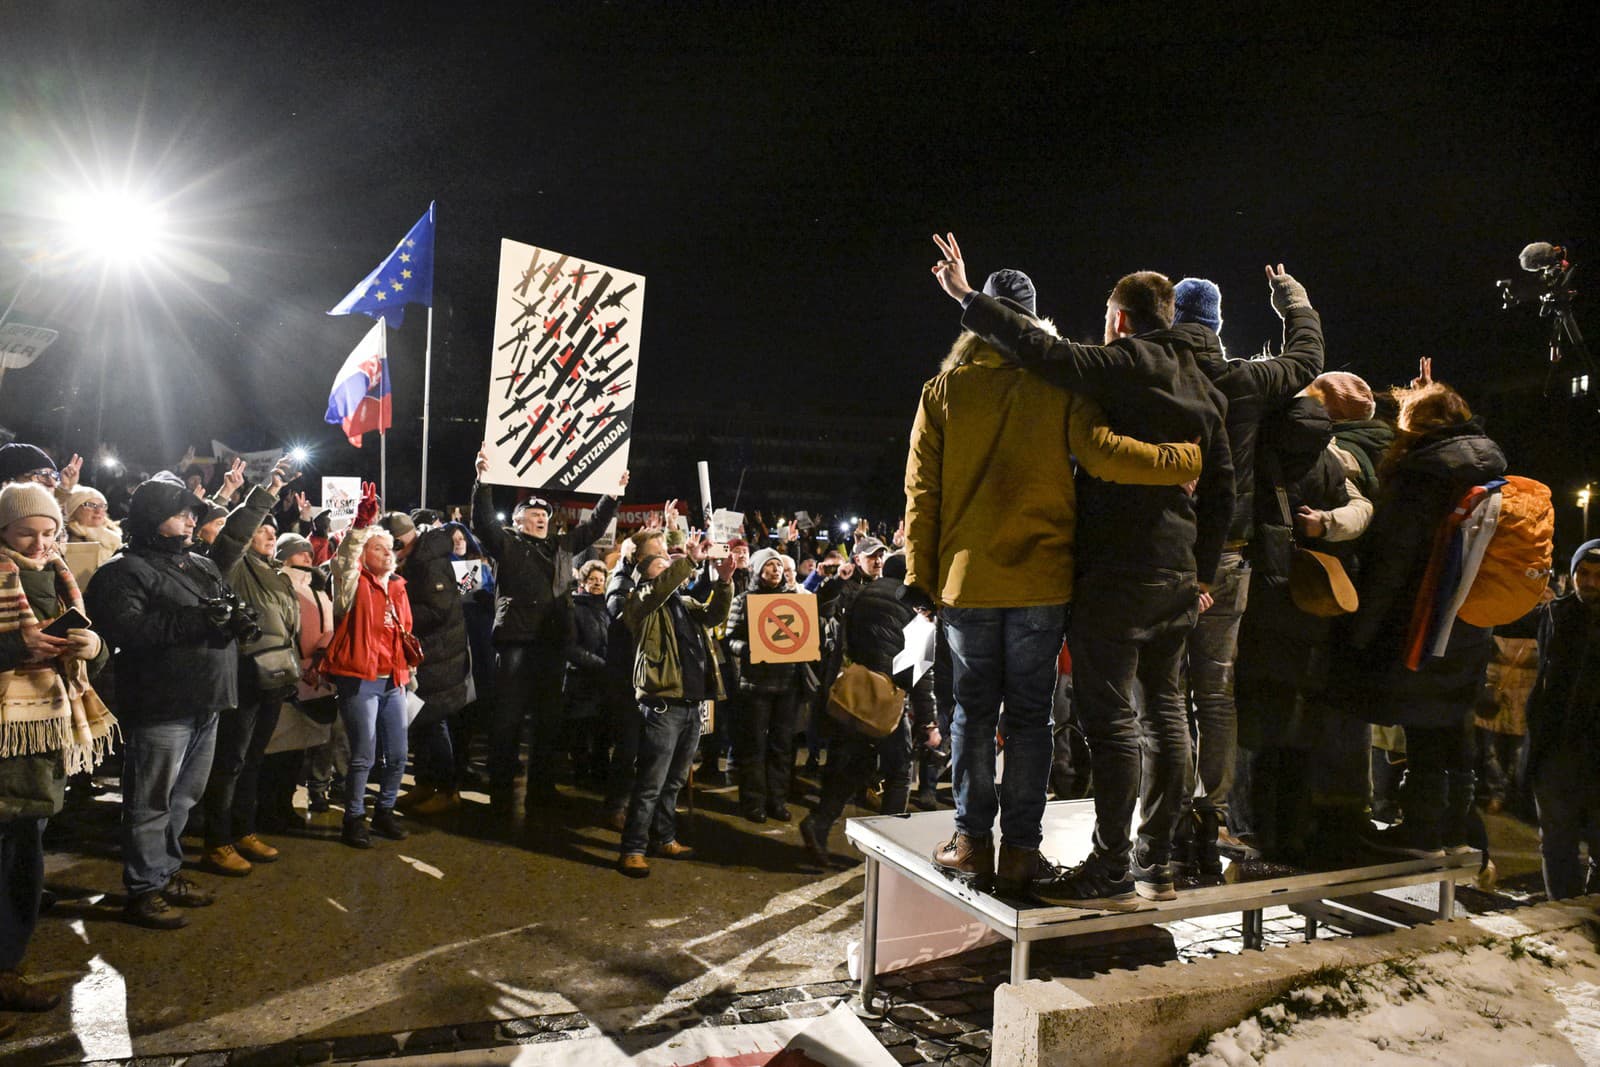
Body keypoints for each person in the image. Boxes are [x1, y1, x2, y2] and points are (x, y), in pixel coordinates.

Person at [916, 251, 1211, 897]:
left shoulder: (943, 390)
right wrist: (1179, 459)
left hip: (967, 581)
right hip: (1044, 580)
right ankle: (1022, 851)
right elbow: (1104, 455)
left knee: (970, 713)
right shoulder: (1062, 386)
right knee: (1029, 717)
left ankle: (971, 841)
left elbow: (923, 496)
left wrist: (921, 575)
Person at [1171, 271, 1325, 879]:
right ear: (1217, 325)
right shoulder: (1246, 378)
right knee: (1214, 692)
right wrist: (1295, 299)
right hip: (1231, 556)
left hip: (1164, 557)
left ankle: (1170, 814)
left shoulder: (1154, 370)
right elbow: (1308, 356)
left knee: (1161, 696)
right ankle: (1210, 813)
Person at [1339, 370, 1508, 859]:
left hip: (1420, 621)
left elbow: (1392, 558)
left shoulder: (1423, 473)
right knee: (1452, 725)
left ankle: (1421, 829)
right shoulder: (1486, 459)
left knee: (1423, 728)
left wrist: (1360, 631)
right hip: (1468, 622)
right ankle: (1456, 829)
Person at [86, 472, 243, 928]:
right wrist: (199, 622)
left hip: (206, 698)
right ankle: (143, 889)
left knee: (184, 797)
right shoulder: (122, 569)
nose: (191, 523)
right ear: (153, 518)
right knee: (150, 800)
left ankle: (167, 872)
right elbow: (127, 632)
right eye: (179, 514)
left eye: (192, 514)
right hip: (161, 701)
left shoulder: (198, 564)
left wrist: (231, 618)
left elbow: (222, 607)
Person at [0, 482, 115, 1015]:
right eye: (27, 533)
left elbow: (93, 648)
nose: (41, 543)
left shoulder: (63, 576)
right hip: (6, 739)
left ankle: (8, 967)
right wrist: (13, 646)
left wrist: (94, 645)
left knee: (26, 862)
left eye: (49, 532)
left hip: (45, 735)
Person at [470, 448, 623, 815]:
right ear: (519, 519)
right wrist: (483, 482)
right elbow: (483, 522)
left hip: (552, 645)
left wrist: (611, 495)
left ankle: (541, 787)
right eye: (533, 514)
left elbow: (593, 529)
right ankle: (502, 789)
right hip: (516, 645)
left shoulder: (562, 547)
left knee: (548, 720)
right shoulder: (506, 543)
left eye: (544, 515)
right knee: (507, 720)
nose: (540, 519)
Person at [799, 552, 938, 866]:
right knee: (899, 770)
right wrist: (927, 721)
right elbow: (920, 671)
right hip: (886, 698)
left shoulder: (863, 594)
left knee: (855, 765)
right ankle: (889, 850)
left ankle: (819, 822)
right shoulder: (920, 608)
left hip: (852, 691)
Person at [198, 461, 299, 877]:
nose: (270, 537)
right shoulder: (230, 564)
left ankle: (244, 830)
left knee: (254, 758)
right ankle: (216, 841)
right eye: (264, 530)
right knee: (231, 760)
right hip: (244, 674)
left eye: (275, 533)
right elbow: (234, 535)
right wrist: (269, 490)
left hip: (276, 676)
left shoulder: (274, 572)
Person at [616, 544, 736, 878]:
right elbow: (659, 589)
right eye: (661, 565)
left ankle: (664, 838)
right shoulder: (641, 602)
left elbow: (715, 616)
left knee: (674, 782)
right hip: (663, 705)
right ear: (646, 574)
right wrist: (690, 561)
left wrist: (724, 582)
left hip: (691, 704)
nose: (669, 568)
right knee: (651, 783)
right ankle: (633, 849)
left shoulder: (684, 604)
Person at [322, 526, 417, 848]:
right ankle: (353, 817)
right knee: (364, 754)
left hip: (393, 681)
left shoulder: (398, 587)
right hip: (360, 680)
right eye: (377, 548)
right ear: (364, 554)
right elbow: (344, 561)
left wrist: (407, 671)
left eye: (389, 548)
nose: (387, 553)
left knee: (399, 754)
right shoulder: (352, 585)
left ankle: (385, 811)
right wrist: (359, 530)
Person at [1526, 539, 1600, 899]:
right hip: (1556, 751)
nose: (1590, 582)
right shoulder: (1555, 614)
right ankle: (1561, 920)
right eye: (1583, 573)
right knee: (1557, 843)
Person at [723, 547, 808, 823]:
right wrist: (749, 648)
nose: (775, 571)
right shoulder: (743, 601)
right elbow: (730, 639)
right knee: (755, 747)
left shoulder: (794, 600)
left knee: (782, 747)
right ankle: (753, 803)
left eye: (779, 567)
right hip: (755, 686)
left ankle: (778, 801)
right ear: (758, 570)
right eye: (769, 566)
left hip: (787, 686)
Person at [393, 517, 471, 815]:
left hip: (437, 656)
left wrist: (398, 610)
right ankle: (426, 784)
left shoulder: (427, 562)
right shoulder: (423, 558)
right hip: (431, 654)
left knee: (433, 723)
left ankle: (448, 790)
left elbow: (438, 609)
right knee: (422, 725)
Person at [563, 560, 612, 788]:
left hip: (602, 681)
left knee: (601, 729)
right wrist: (600, 665)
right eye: (592, 580)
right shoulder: (574, 608)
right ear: (583, 582)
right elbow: (571, 648)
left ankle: (601, 772)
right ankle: (581, 773)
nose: (597, 584)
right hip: (581, 680)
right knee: (581, 730)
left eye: (601, 580)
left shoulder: (608, 608)